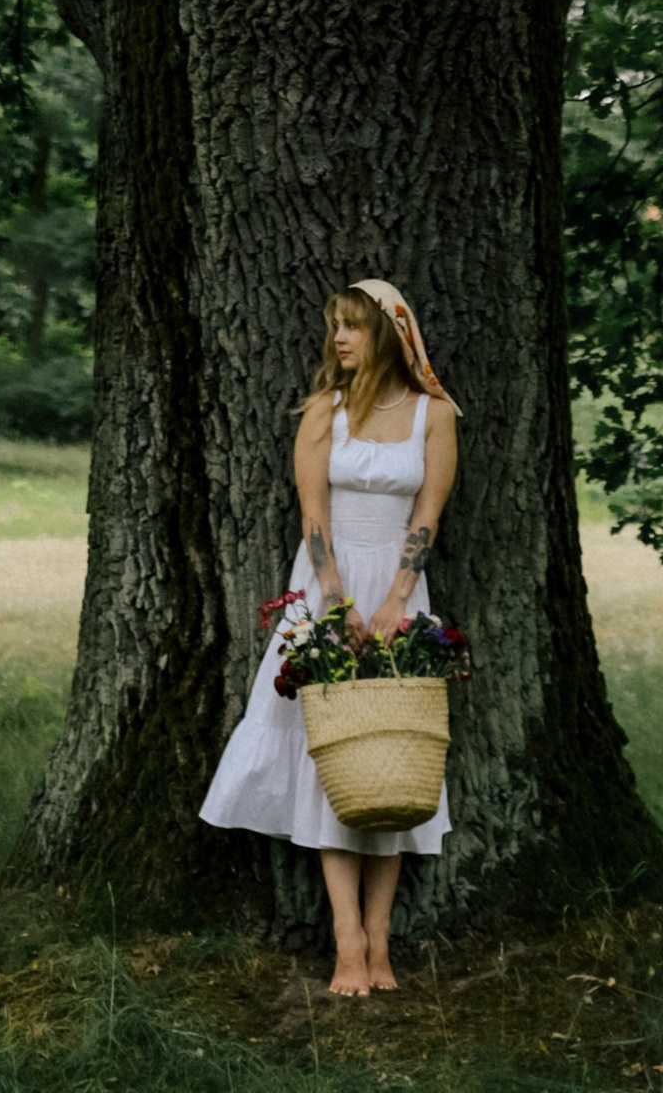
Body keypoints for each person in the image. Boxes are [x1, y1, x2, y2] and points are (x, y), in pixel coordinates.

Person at [198, 275, 460, 998]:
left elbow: (428, 514)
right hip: (327, 588)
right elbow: (312, 514)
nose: (338, 338)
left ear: (387, 333)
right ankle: (346, 937)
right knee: (332, 753)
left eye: (351, 326)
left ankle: (381, 938)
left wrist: (396, 603)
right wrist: (337, 599)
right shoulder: (324, 411)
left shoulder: (434, 415)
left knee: (395, 751)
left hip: (400, 595)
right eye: (334, 325)